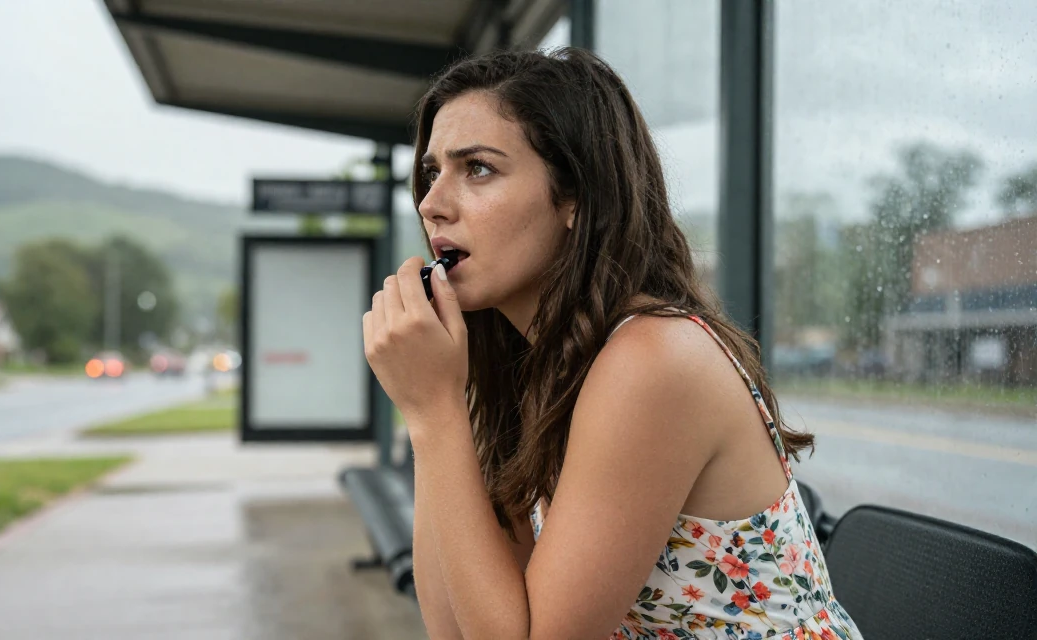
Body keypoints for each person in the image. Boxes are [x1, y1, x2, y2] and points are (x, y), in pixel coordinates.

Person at [361, 47, 862, 640]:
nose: (431, 204)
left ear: (574, 194)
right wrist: (437, 406)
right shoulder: (538, 364)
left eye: (477, 169)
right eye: (432, 172)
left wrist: (433, 412)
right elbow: (456, 626)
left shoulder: (652, 359)